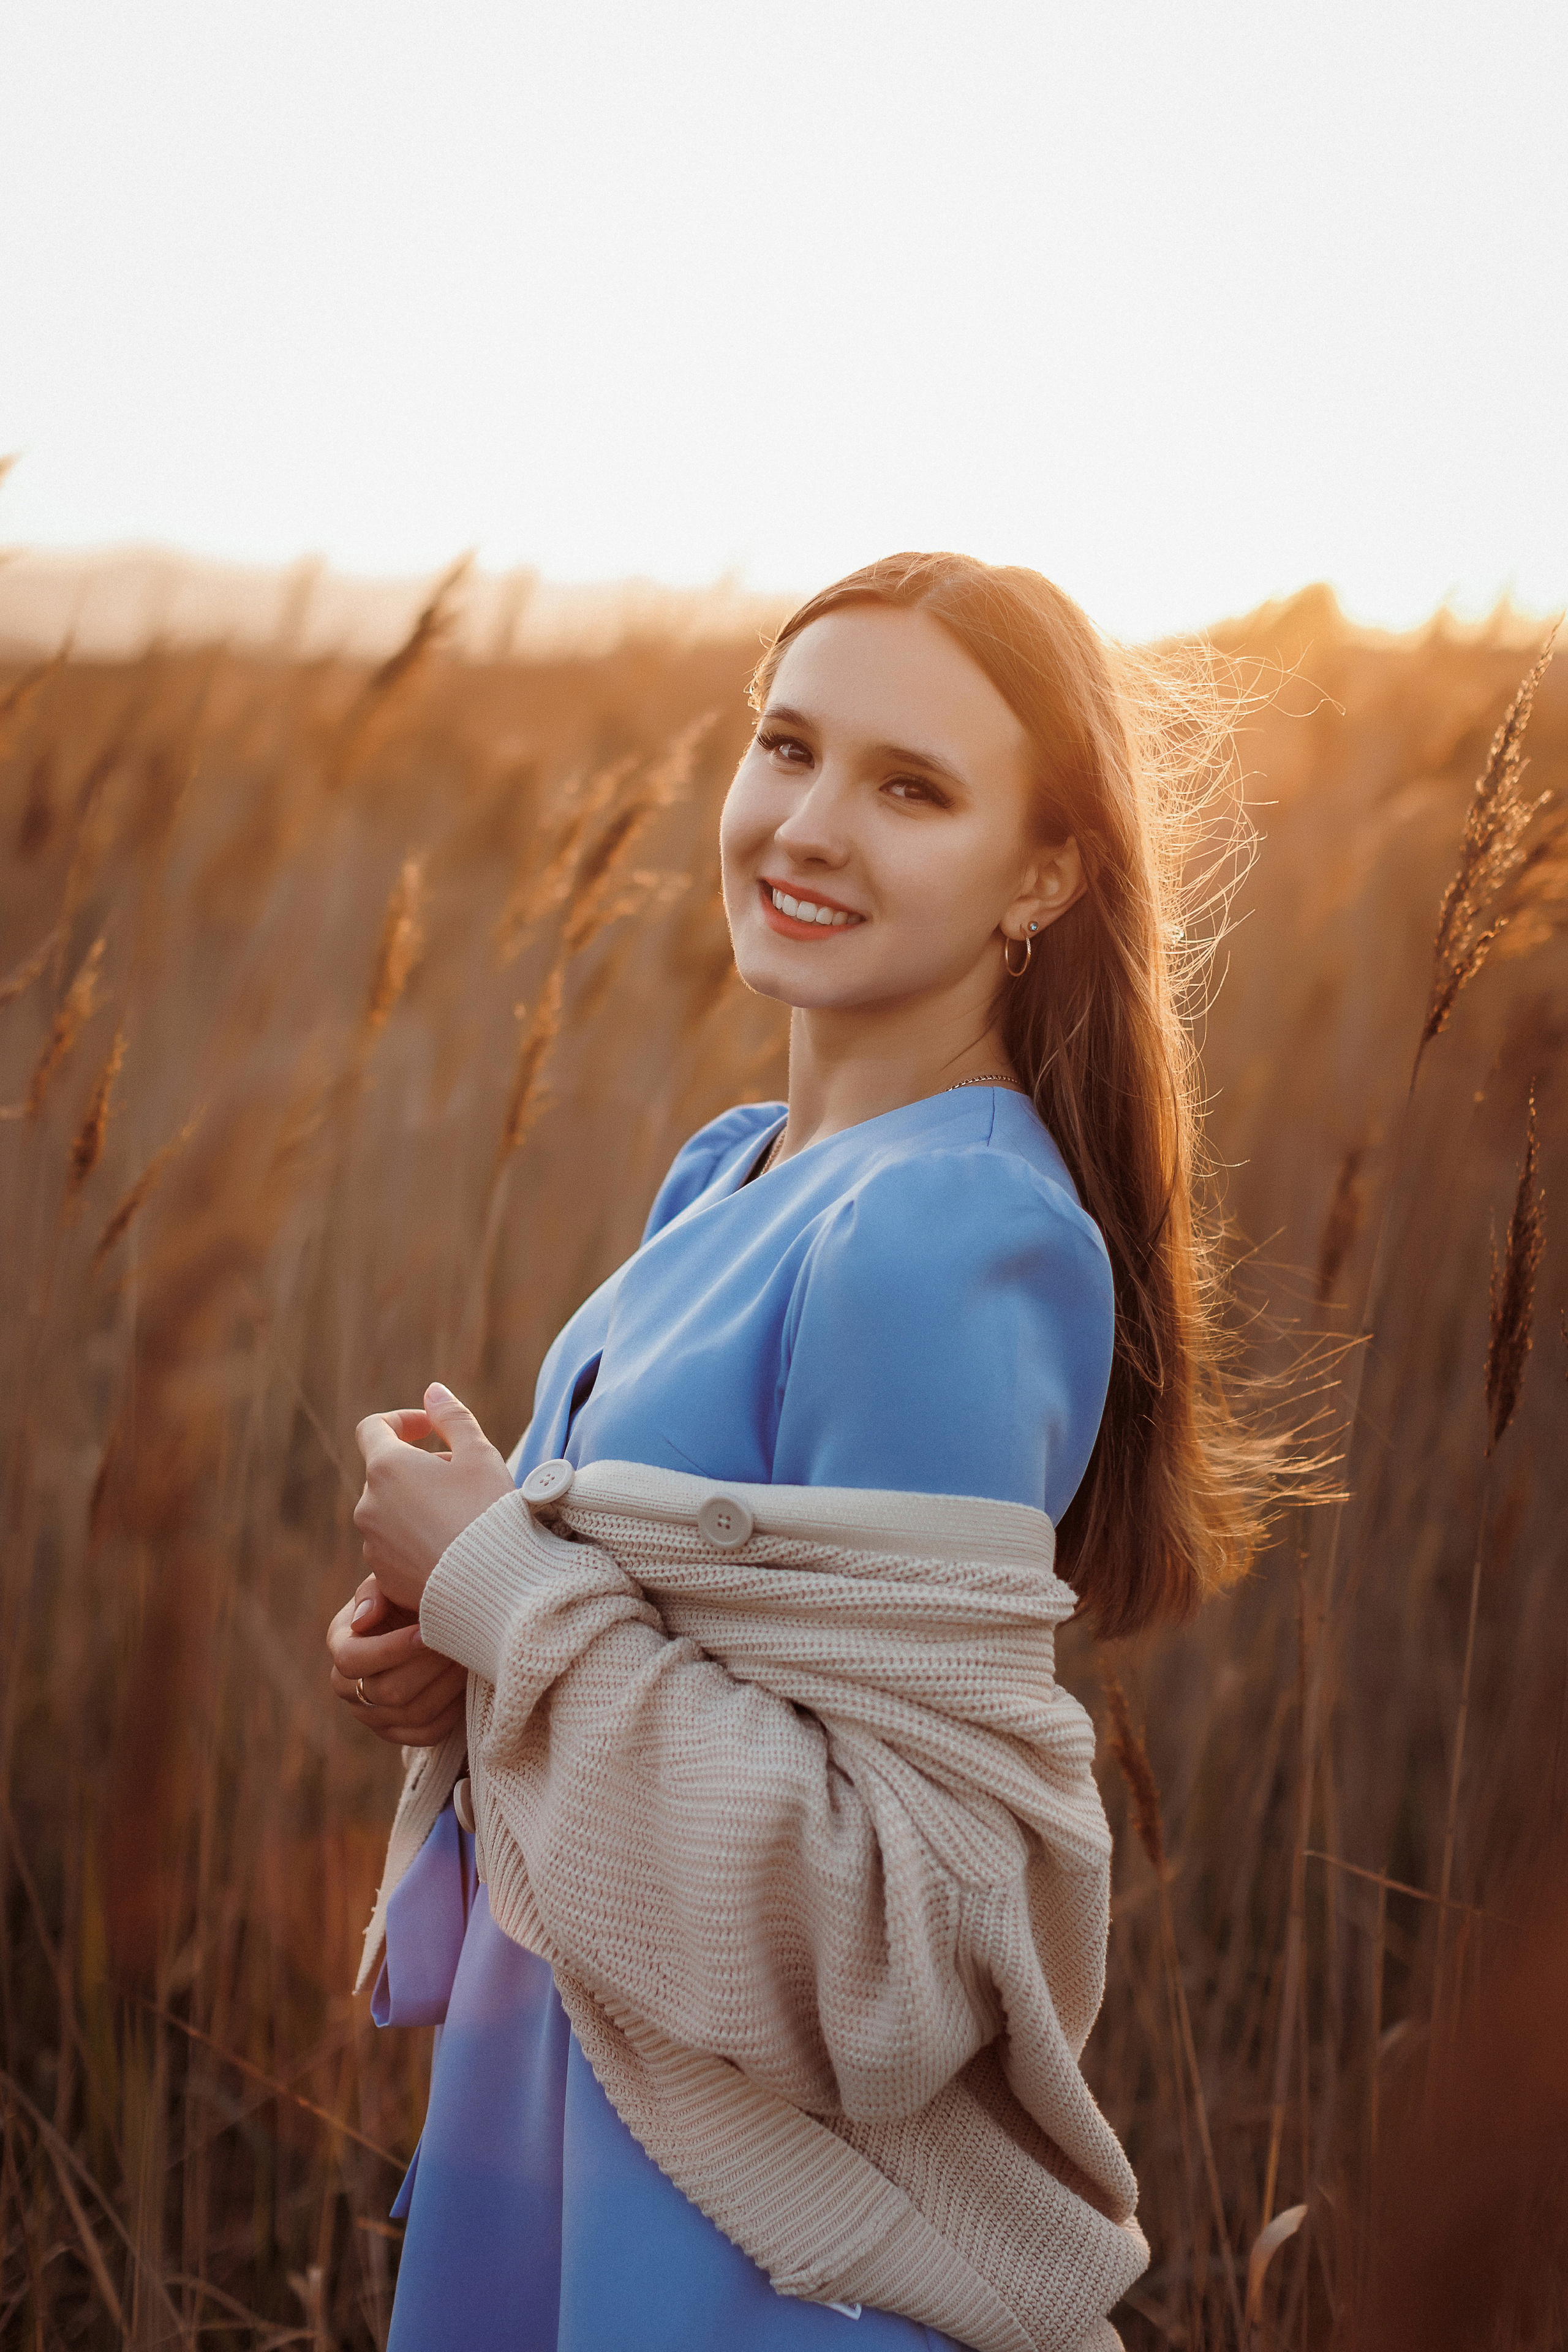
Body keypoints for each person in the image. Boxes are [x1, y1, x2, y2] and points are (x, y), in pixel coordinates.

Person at [325, 552, 1278, 2352]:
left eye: (912, 788)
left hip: (738, 2247)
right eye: (788, 745)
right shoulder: (736, 1171)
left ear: (1045, 873)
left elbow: (897, 1946)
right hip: (564, 2131)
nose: (810, 826)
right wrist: (463, 1656)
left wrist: (501, 1588)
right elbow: (699, 1662)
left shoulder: (938, 1236)